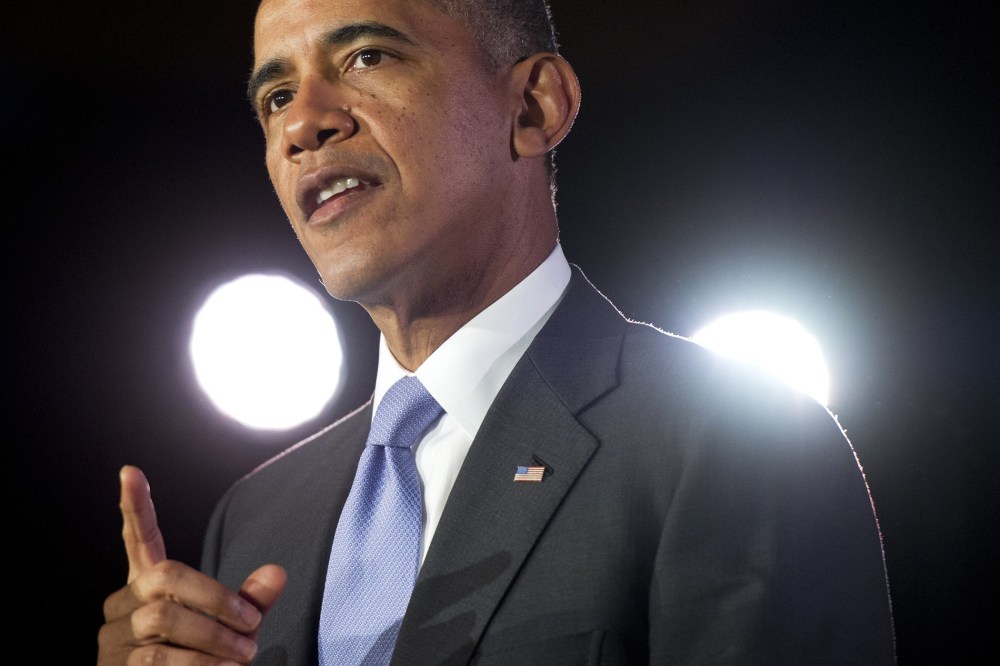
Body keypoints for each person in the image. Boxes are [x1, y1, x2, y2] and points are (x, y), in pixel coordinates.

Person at [98, 0, 896, 663]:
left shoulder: (731, 441)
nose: (303, 123)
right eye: (276, 97)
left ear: (533, 106)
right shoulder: (256, 516)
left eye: (368, 57)